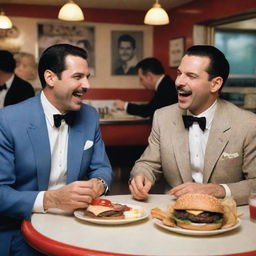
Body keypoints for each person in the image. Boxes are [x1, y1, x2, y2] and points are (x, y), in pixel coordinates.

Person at [0, 44, 113, 256]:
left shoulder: (89, 116)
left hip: (78, 224)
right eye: (78, 76)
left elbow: (103, 168)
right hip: (21, 228)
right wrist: (52, 199)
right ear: (51, 78)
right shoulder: (8, 120)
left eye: (87, 76)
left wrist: (98, 184)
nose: (86, 84)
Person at [128, 45, 256, 206]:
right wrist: (142, 175)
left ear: (215, 84)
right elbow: (148, 163)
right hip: (174, 213)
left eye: (191, 76)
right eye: (179, 74)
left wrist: (219, 190)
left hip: (226, 217)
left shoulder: (247, 124)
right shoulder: (163, 117)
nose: (179, 82)